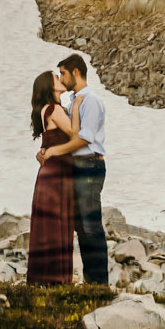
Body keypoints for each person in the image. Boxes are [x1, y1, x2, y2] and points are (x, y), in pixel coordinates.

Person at [37, 53, 108, 284]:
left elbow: (83, 139)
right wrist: (46, 149)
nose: (62, 78)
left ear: (76, 72)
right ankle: (91, 283)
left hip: (89, 164)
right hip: (76, 167)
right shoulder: (72, 103)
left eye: (64, 73)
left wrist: (53, 152)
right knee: (81, 227)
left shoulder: (91, 100)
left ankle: (99, 284)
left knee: (90, 226)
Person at [25, 69, 78, 285]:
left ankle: (46, 280)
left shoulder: (48, 110)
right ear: (49, 86)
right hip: (57, 174)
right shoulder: (55, 109)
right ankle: (57, 280)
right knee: (57, 225)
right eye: (56, 78)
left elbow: (49, 144)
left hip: (51, 173)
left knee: (50, 226)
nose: (60, 79)